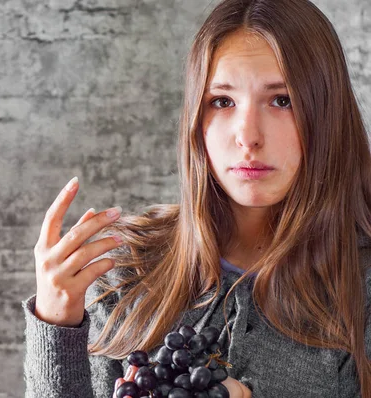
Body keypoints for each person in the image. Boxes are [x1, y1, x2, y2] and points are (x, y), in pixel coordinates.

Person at [22, 0, 371, 396]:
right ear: (196, 121)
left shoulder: (363, 284)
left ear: (327, 113)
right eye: (222, 101)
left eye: (282, 100)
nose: (248, 136)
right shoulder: (126, 270)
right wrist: (56, 326)